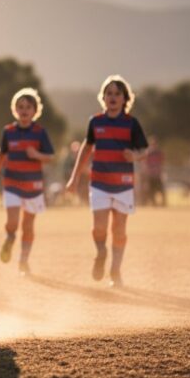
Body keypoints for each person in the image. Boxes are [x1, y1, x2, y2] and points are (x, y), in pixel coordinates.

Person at [65, 75, 148, 288]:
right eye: (109, 93)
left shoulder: (131, 123)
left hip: (123, 185)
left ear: (125, 98)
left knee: (119, 230)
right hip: (99, 184)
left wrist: (134, 155)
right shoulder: (95, 122)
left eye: (117, 93)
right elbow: (86, 149)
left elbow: (144, 150)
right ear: (103, 97)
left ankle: (116, 271)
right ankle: (101, 252)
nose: (113, 97)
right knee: (99, 228)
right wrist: (74, 178)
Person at [0, 88, 55, 276]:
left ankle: (24, 260)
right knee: (13, 222)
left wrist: (37, 155)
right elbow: (1, 154)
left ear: (35, 111)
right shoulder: (8, 131)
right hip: (12, 184)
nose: (24, 110)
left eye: (28, 107)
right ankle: (9, 238)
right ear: (15, 110)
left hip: (34, 187)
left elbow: (50, 157)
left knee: (28, 226)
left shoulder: (40, 132)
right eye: (20, 107)